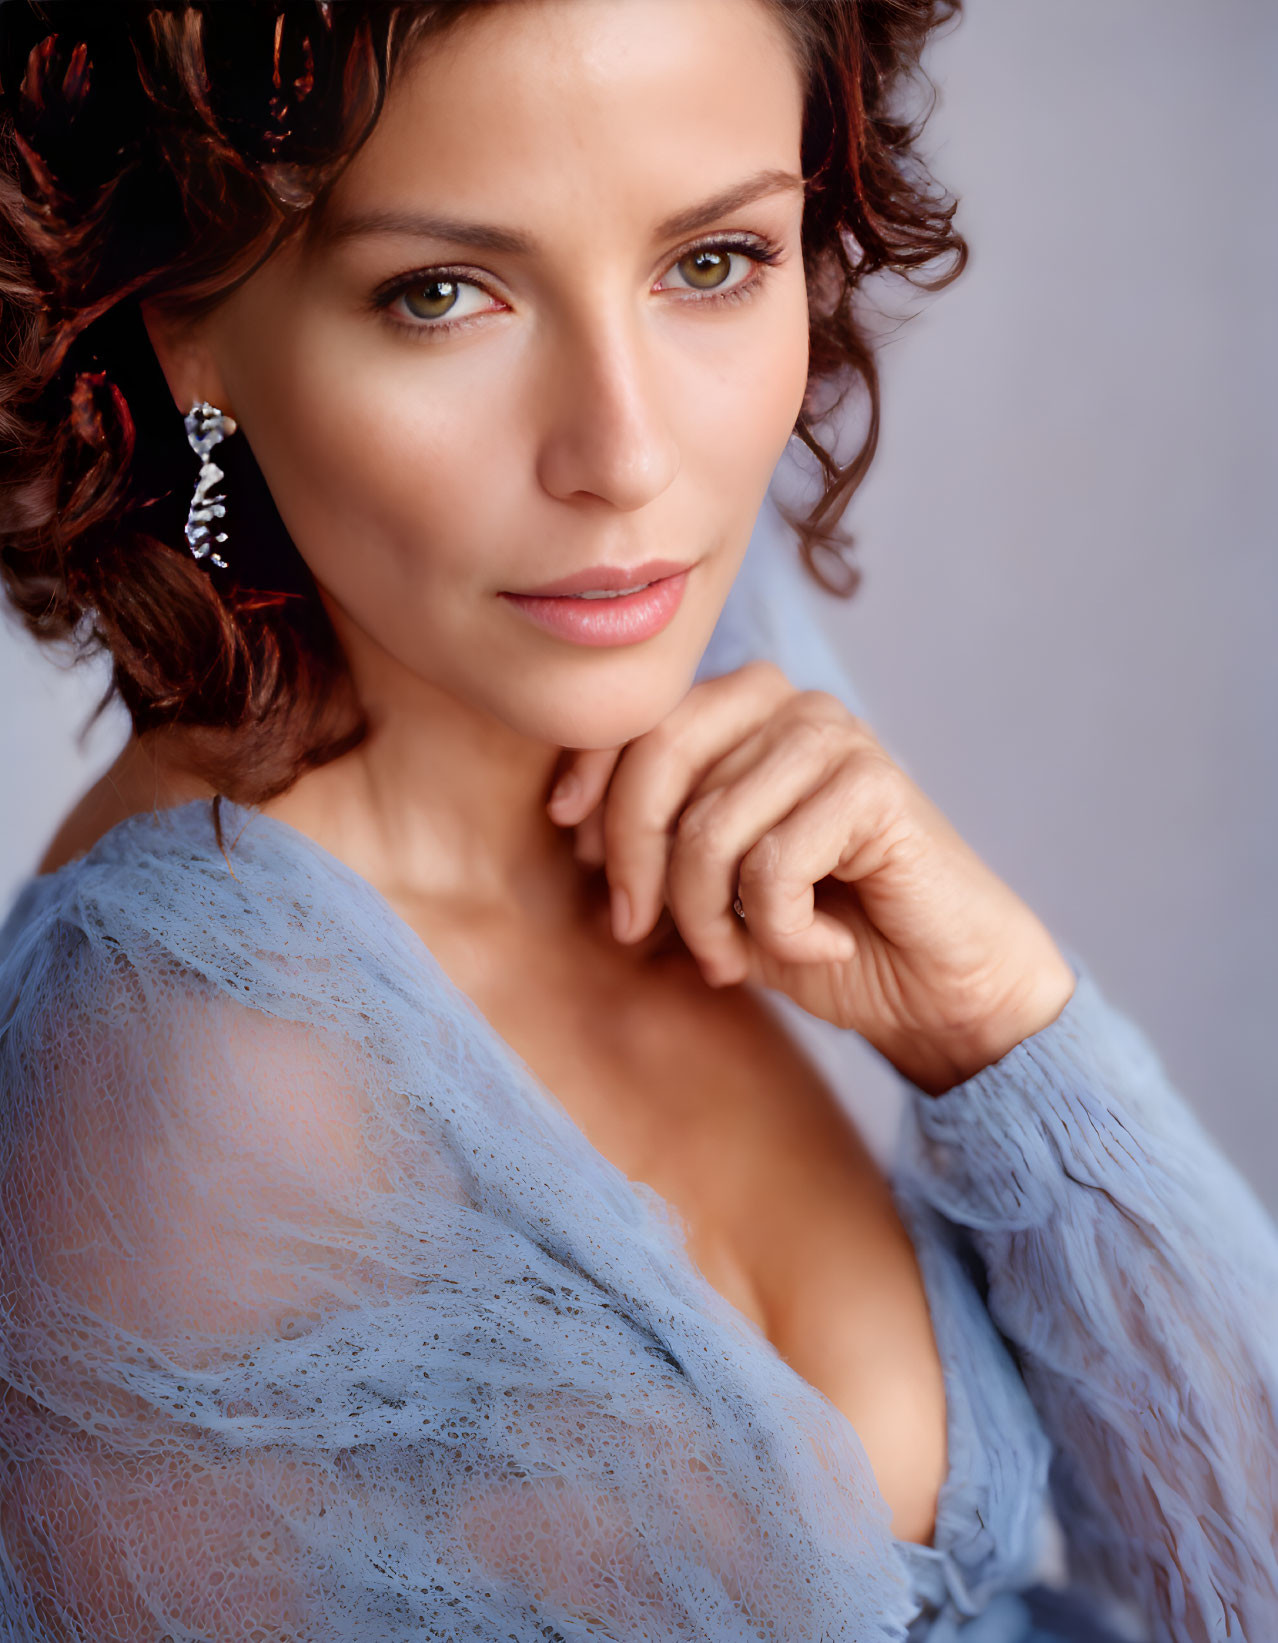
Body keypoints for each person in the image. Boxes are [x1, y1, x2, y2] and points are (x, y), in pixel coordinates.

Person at [0, 1, 1273, 1638]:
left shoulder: (688, 652)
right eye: (441, 293)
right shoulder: (177, 1085)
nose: (626, 455)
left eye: (713, 262)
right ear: (190, 339)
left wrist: (1008, 1036)